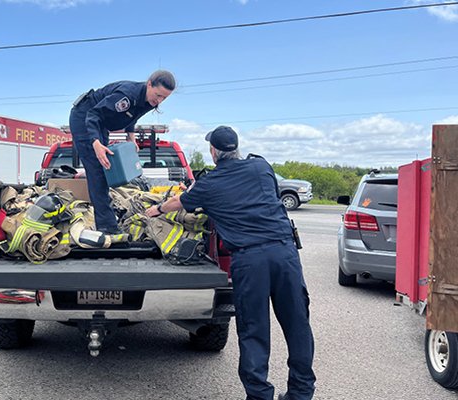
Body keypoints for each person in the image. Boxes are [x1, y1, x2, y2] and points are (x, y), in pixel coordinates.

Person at [146, 126, 316, 400]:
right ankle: (301, 393)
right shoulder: (262, 167)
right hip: (285, 254)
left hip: (250, 260)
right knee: (297, 324)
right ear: (236, 148)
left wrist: (156, 209)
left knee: (254, 330)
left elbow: (179, 202)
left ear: (213, 151)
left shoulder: (209, 184)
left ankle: (259, 395)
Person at [69, 70, 176, 234]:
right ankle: (107, 227)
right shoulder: (126, 95)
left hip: (101, 123)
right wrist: (95, 143)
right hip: (85, 117)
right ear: (149, 84)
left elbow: (133, 116)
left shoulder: (149, 100)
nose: (159, 101)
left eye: (164, 98)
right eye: (158, 95)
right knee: (98, 170)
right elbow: (93, 114)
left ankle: (108, 216)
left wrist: (131, 137)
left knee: (107, 168)